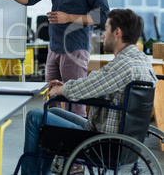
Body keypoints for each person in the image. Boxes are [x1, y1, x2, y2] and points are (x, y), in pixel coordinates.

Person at [21, 9, 157, 175]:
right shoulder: (140, 60)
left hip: (103, 140)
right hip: (119, 136)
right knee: (54, 111)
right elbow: (96, 84)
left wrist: (60, 90)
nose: (102, 35)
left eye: (105, 30)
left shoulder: (124, 65)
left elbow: (91, 86)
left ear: (117, 32)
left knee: (35, 116)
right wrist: (65, 85)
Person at [0, 0, 110, 118]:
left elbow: (102, 15)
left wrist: (69, 18)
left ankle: (75, 144)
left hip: (75, 49)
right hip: (54, 48)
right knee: (51, 101)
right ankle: (53, 144)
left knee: (74, 103)